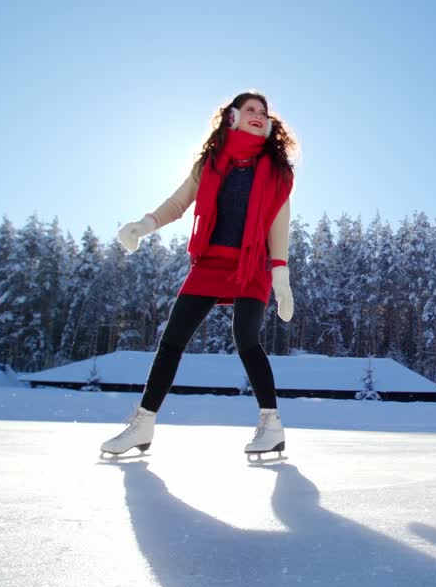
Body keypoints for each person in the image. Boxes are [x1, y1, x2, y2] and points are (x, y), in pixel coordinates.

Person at [100, 91, 296, 462]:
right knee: (171, 342)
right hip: (209, 263)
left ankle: (271, 426)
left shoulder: (277, 172)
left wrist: (281, 276)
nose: (258, 115)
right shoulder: (210, 163)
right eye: (250, 109)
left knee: (247, 341)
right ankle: (143, 423)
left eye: (263, 112)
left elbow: (278, 226)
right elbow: (178, 203)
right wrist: (144, 225)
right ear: (233, 117)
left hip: (250, 265)